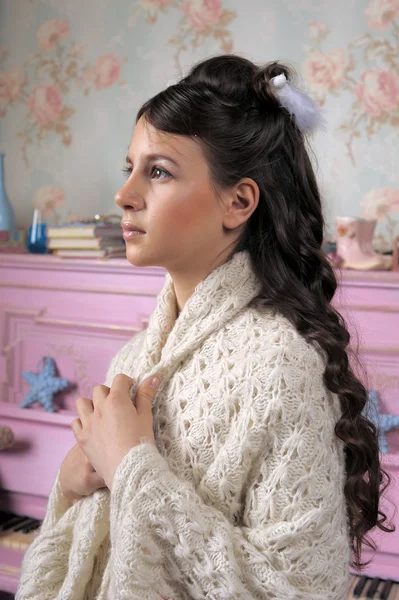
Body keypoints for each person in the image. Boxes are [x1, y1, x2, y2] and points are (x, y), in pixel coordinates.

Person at [16, 54, 393, 600]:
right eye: (131, 168)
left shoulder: (281, 363)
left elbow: (300, 590)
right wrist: (72, 486)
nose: (125, 195)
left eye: (159, 171)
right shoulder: (133, 358)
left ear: (238, 201)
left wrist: (130, 468)